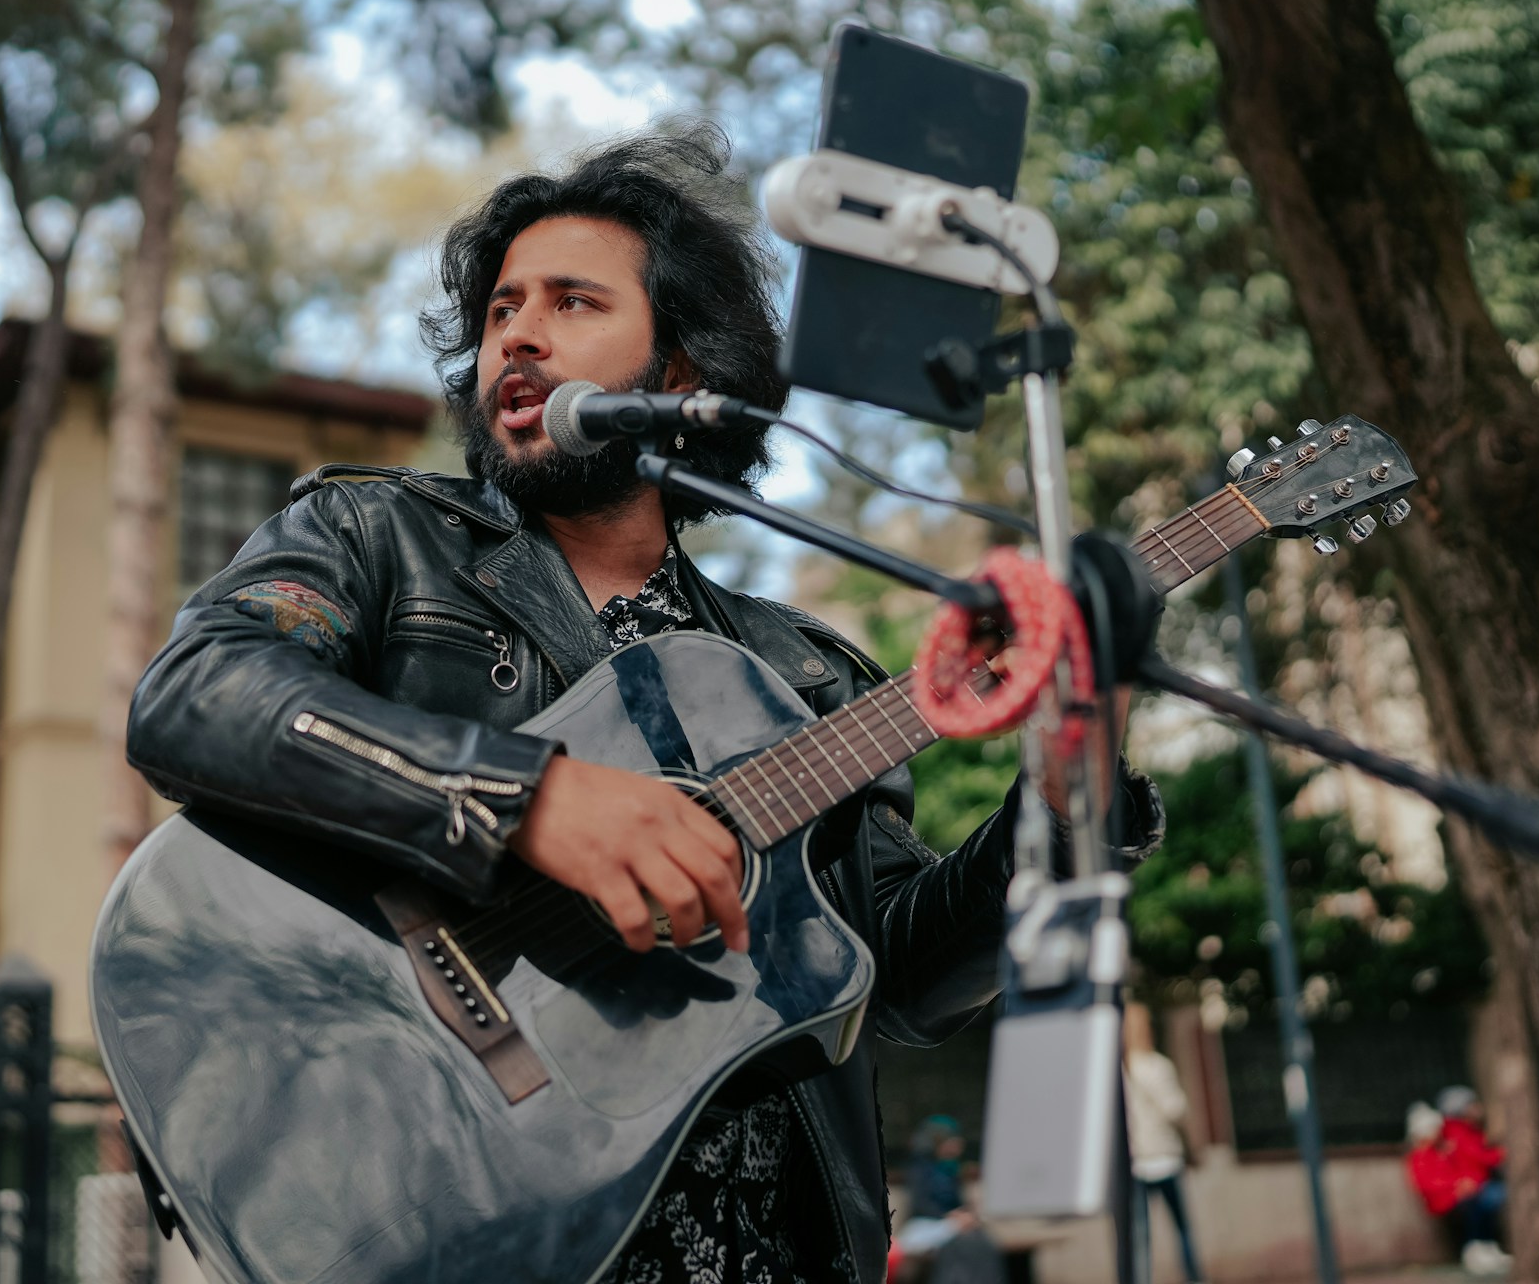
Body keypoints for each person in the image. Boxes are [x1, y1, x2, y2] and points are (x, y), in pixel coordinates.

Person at [126, 123, 1164, 1284]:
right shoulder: (376, 537)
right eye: (501, 310)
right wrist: (523, 798)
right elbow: (196, 693)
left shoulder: (808, 672)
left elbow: (905, 983)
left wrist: (1074, 762)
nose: (516, 332)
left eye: (572, 302)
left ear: (680, 378)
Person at [1121, 1003, 1203, 1284]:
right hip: (1164, 1158)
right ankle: (1194, 1278)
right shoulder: (1156, 1065)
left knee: (1140, 1235)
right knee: (1182, 1229)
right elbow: (1176, 1109)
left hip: (1134, 1162)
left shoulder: (1116, 1071)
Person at [1405, 1091, 1509, 1276]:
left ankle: (1485, 1246)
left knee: (1480, 1200)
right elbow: (1428, 1184)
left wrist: (1464, 1183)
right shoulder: (1420, 1156)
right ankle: (1476, 1248)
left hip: (1463, 1193)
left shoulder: (1442, 1150)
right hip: (1446, 1200)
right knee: (1479, 1202)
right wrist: (1457, 1186)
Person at [905, 1115, 967, 1221]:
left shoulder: (951, 1168)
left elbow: (956, 1202)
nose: (957, 1145)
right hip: (927, 1223)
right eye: (951, 1141)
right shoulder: (920, 1168)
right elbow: (920, 1204)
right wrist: (948, 1216)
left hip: (953, 1223)